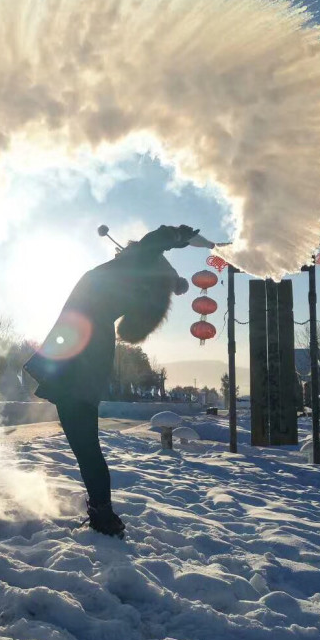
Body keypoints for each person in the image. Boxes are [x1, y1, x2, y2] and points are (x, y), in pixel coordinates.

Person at [24, 223, 199, 537]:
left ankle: (104, 516)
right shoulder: (129, 270)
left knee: (85, 443)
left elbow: (149, 245)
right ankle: (102, 513)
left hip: (82, 354)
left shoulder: (132, 269)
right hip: (83, 352)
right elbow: (149, 247)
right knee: (84, 442)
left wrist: (173, 240)